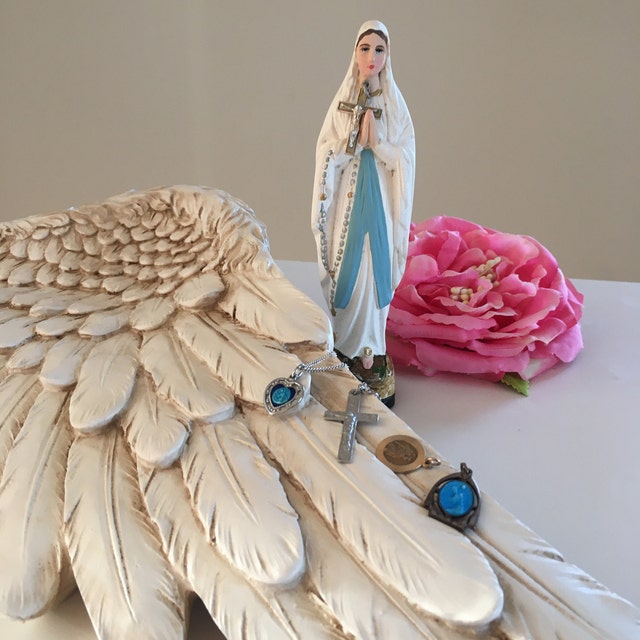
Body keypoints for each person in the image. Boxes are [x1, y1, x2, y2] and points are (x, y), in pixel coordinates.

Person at [311, 19, 415, 406]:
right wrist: (349, 143)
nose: (372, 56)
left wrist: (381, 145)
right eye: (365, 48)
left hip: (380, 204)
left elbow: (406, 155)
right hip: (349, 204)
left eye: (379, 49)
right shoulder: (341, 103)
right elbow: (326, 151)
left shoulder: (394, 105)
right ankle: (346, 348)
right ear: (354, 53)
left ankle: (373, 351)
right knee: (350, 274)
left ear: (388, 56)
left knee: (376, 271)